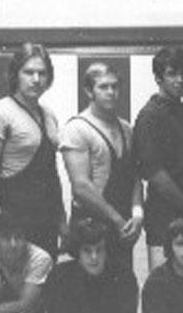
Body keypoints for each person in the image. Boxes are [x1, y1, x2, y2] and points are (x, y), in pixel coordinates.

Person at [0, 42, 65, 259]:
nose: (36, 79)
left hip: (46, 222)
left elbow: (52, 175)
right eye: (29, 72)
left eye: (42, 73)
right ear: (16, 74)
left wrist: (62, 222)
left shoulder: (49, 115)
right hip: (13, 223)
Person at [60, 63, 142, 271]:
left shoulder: (127, 129)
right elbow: (81, 186)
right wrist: (117, 220)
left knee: (122, 284)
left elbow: (134, 176)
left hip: (122, 228)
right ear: (89, 91)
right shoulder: (77, 128)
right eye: (103, 87)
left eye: (115, 86)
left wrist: (137, 214)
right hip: (90, 229)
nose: (111, 92)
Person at [133, 47, 183, 271]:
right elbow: (156, 175)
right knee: (164, 285)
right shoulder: (149, 117)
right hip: (164, 218)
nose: (179, 80)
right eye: (172, 74)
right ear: (158, 78)